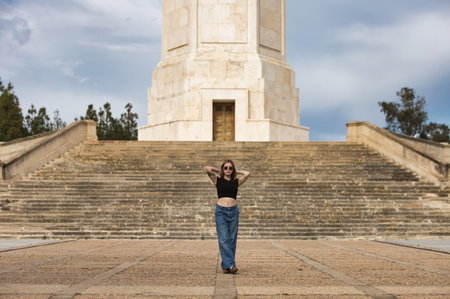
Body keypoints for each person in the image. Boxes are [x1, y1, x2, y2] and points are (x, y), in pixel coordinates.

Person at [205, 160, 250, 274]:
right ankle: (231, 264)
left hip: (233, 212)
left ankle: (226, 266)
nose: (228, 170)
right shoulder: (217, 180)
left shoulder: (236, 182)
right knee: (224, 238)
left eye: (230, 168)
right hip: (221, 212)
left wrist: (236, 171)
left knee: (231, 239)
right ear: (222, 169)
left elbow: (247, 174)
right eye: (226, 168)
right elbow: (207, 168)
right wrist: (219, 170)